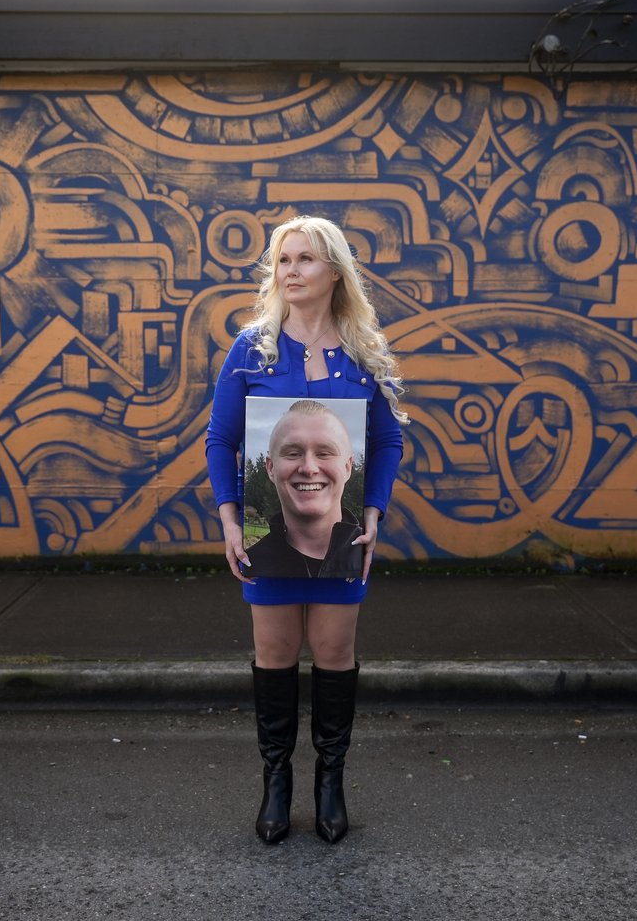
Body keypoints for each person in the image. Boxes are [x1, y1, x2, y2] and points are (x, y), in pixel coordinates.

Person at [205, 215, 408, 844]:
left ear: (334, 272)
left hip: (343, 543)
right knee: (273, 655)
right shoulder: (252, 349)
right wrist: (231, 521)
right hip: (268, 538)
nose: (290, 271)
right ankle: (275, 782)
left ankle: (330, 780)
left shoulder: (361, 351)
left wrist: (372, 514)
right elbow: (221, 440)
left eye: (305, 260)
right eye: (283, 260)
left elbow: (387, 439)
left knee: (333, 654)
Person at [244, 400, 365, 580]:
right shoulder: (251, 561)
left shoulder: (372, 555)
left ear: (348, 468)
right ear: (270, 468)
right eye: (293, 454)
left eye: (324, 453)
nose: (309, 468)